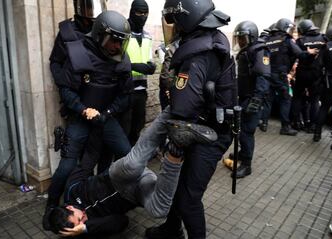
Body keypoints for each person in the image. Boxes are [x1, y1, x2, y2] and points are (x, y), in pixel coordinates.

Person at [146, 1, 237, 238]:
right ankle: (172, 229)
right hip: (206, 127)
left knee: (189, 199)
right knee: (180, 187)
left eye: (175, 21)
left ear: (185, 20)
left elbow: (184, 107)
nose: (173, 27)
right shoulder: (210, 39)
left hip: (210, 135)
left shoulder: (198, 55)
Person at [44, 118, 218, 237]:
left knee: (132, 164)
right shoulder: (86, 228)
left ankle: (166, 118)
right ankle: (175, 150)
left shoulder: (72, 190)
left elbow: (88, 161)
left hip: (116, 177)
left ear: (69, 206)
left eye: (79, 216)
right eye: (81, 222)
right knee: (159, 210)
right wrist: (86, 228)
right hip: (136, 193)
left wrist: (97, 126)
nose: (84, 218)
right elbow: (121, 221)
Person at [45, 10, 133, 225]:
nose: (117, 47)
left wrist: (107, 114)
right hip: (81, 117)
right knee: (67, 166)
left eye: (121, 42)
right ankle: (50, 206)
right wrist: (83, 110)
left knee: (128, 156)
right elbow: (66, 91)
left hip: (105, 117)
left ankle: (124, 198)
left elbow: (125, 96)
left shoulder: (122, 60)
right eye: (114, 41)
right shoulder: (78, 53)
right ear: (100, 36)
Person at [224, 20, 270, 179]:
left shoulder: (259, 51)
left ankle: (247, 165)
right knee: (241, 129)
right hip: (244, 97)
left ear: (252, 36)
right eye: (239, 38)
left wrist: (256, 100)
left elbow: (263, 77)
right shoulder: (247, 50)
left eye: (243, 38)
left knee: (246, 132)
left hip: (252, 98)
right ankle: (242, 153)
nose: (240, 41)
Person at [261, 18, 318, 135]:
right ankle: (285, 127)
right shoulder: (286, 40)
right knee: (285, 100)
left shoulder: (268, 40)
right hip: (281, 76)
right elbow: (300, 54)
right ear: (285, 28)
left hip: (268, 74)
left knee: (268, 100)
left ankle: (264, 123)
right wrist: (309, 53)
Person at [123, 0, 156, 145]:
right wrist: (135, 66)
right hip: (125, 90)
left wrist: (151, 67)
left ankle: (132, 163)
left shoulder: (148, 37)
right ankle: (121, 161)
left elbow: (149, 62)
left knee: (137, 128)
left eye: (145, 13)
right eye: (139, 13)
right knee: (124, 128)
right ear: (132, 12)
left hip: (141, 91)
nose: (142, 16)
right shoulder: (123, 33)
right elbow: (114, 61)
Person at [291, 19, 326, 133]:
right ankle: (312, 126)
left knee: (297, 98)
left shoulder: (301, 40)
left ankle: (296, 122)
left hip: (302, 73)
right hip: (317, 73)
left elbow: (296, 55)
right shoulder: (324, 38)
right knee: (314, 101)